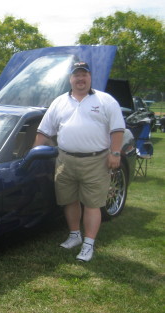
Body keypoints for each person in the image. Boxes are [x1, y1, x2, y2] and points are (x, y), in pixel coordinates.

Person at [33, 61, 125, 262]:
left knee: (92, 204)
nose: (80, 79)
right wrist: (34, 154)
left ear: (90, 78)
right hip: (65, 159)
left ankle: (88, 244)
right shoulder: (59, 102)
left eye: (84, 75)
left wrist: (115, 153)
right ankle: (75, 235)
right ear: (70, 79)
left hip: (96, 160)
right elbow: (44, 131)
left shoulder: (105, 100)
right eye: (76, 75)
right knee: (69, 200)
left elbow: (117, 129)